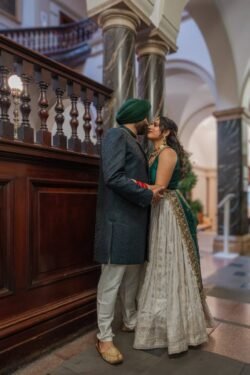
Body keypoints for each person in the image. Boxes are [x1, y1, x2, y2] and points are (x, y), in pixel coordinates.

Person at [133, 116, 214, 355]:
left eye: (156, 124)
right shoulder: (154, 153)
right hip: (159, 208)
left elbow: (159, 187)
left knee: (170, 261)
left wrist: (129, 182)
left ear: (166, 132)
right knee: (160, 262)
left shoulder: (167, 153)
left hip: (169, 209)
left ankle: (179, 327)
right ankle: (161, 323)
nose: (151, 126)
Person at [94, 98, 163, 365]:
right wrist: (147, 191)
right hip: (118, 221)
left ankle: (130, 321)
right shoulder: (116, 135)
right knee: (111, 281)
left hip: (133, 222)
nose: (148, 122)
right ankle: (104, 336)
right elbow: (113, 176)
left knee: (132, 277)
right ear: (137, 118)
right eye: (146, 117)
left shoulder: (134, 140)